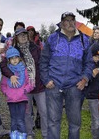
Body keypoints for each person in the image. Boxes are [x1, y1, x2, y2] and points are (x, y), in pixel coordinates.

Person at [40, 11, 93, 139]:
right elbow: (43, 61)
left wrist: (85, 79)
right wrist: (46, 79)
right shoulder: (53, 38)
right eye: (67, 21)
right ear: (62, 24)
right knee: (53, 122)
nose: (70, 23)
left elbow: (89, 63)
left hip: (74, 85)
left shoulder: (84, 40)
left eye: (72, 20)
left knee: (75, 123)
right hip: (54, 85)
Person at [0, 27, 47, 139]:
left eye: (25, 34)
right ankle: (29, 133)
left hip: (38, 85)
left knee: (44, 111)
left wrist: (45, 79)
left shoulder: (35, 48)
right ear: (16, 37)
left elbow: (43, 63)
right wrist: (11, 75)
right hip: (23, 87)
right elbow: (3, 65)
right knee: (27, 112)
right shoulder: (13, 51)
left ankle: (46, 134)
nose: (23, 36)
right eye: (21, 35)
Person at [0, 47, 34, 139]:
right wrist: (6, 92)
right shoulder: (8, 73)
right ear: (8, 60)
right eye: (12, 58)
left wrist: (25, 90)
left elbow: (30, 83)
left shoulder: (24, 70)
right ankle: (14, 135)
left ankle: (22, 136)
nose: (14, 60)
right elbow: (3, 84)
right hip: (11, 100)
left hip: (22, 99)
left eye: (16, 57)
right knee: (13, 119)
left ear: (19, 58)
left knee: (20, 120)